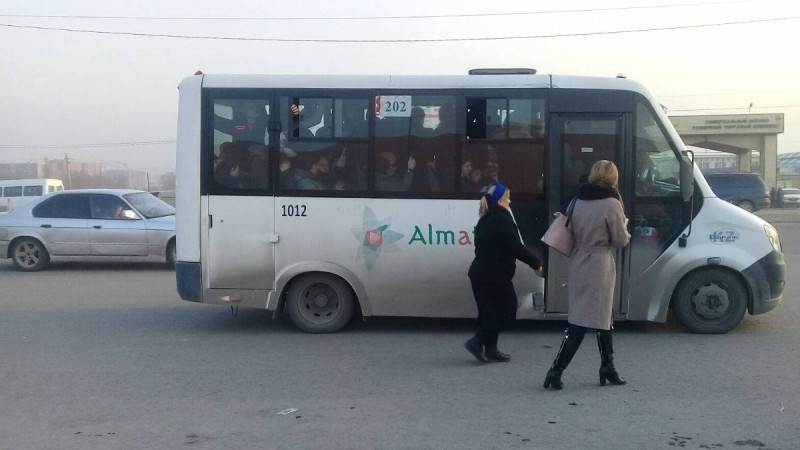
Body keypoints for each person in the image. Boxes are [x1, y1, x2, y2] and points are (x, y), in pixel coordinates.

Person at [543, 160, 631, 390]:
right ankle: (556, 370)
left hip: (579, 260)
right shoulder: (612, 204)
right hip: (599, 264)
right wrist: (625, 227)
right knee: (583, 321)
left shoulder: (577, 201)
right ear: (613, 178)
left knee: (602, 317)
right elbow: (620, 240)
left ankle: (607, 367)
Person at [465, 182, 543, 363]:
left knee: (490, 312)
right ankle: (477, 341)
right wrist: (536, 263)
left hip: (481, 273)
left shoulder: (486, 218)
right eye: (507, 197)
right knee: (507, 308)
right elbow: (516, 247)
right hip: (494, 275)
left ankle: (491, 350)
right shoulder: (503, 220)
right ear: (500, 201)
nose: (510, 200)